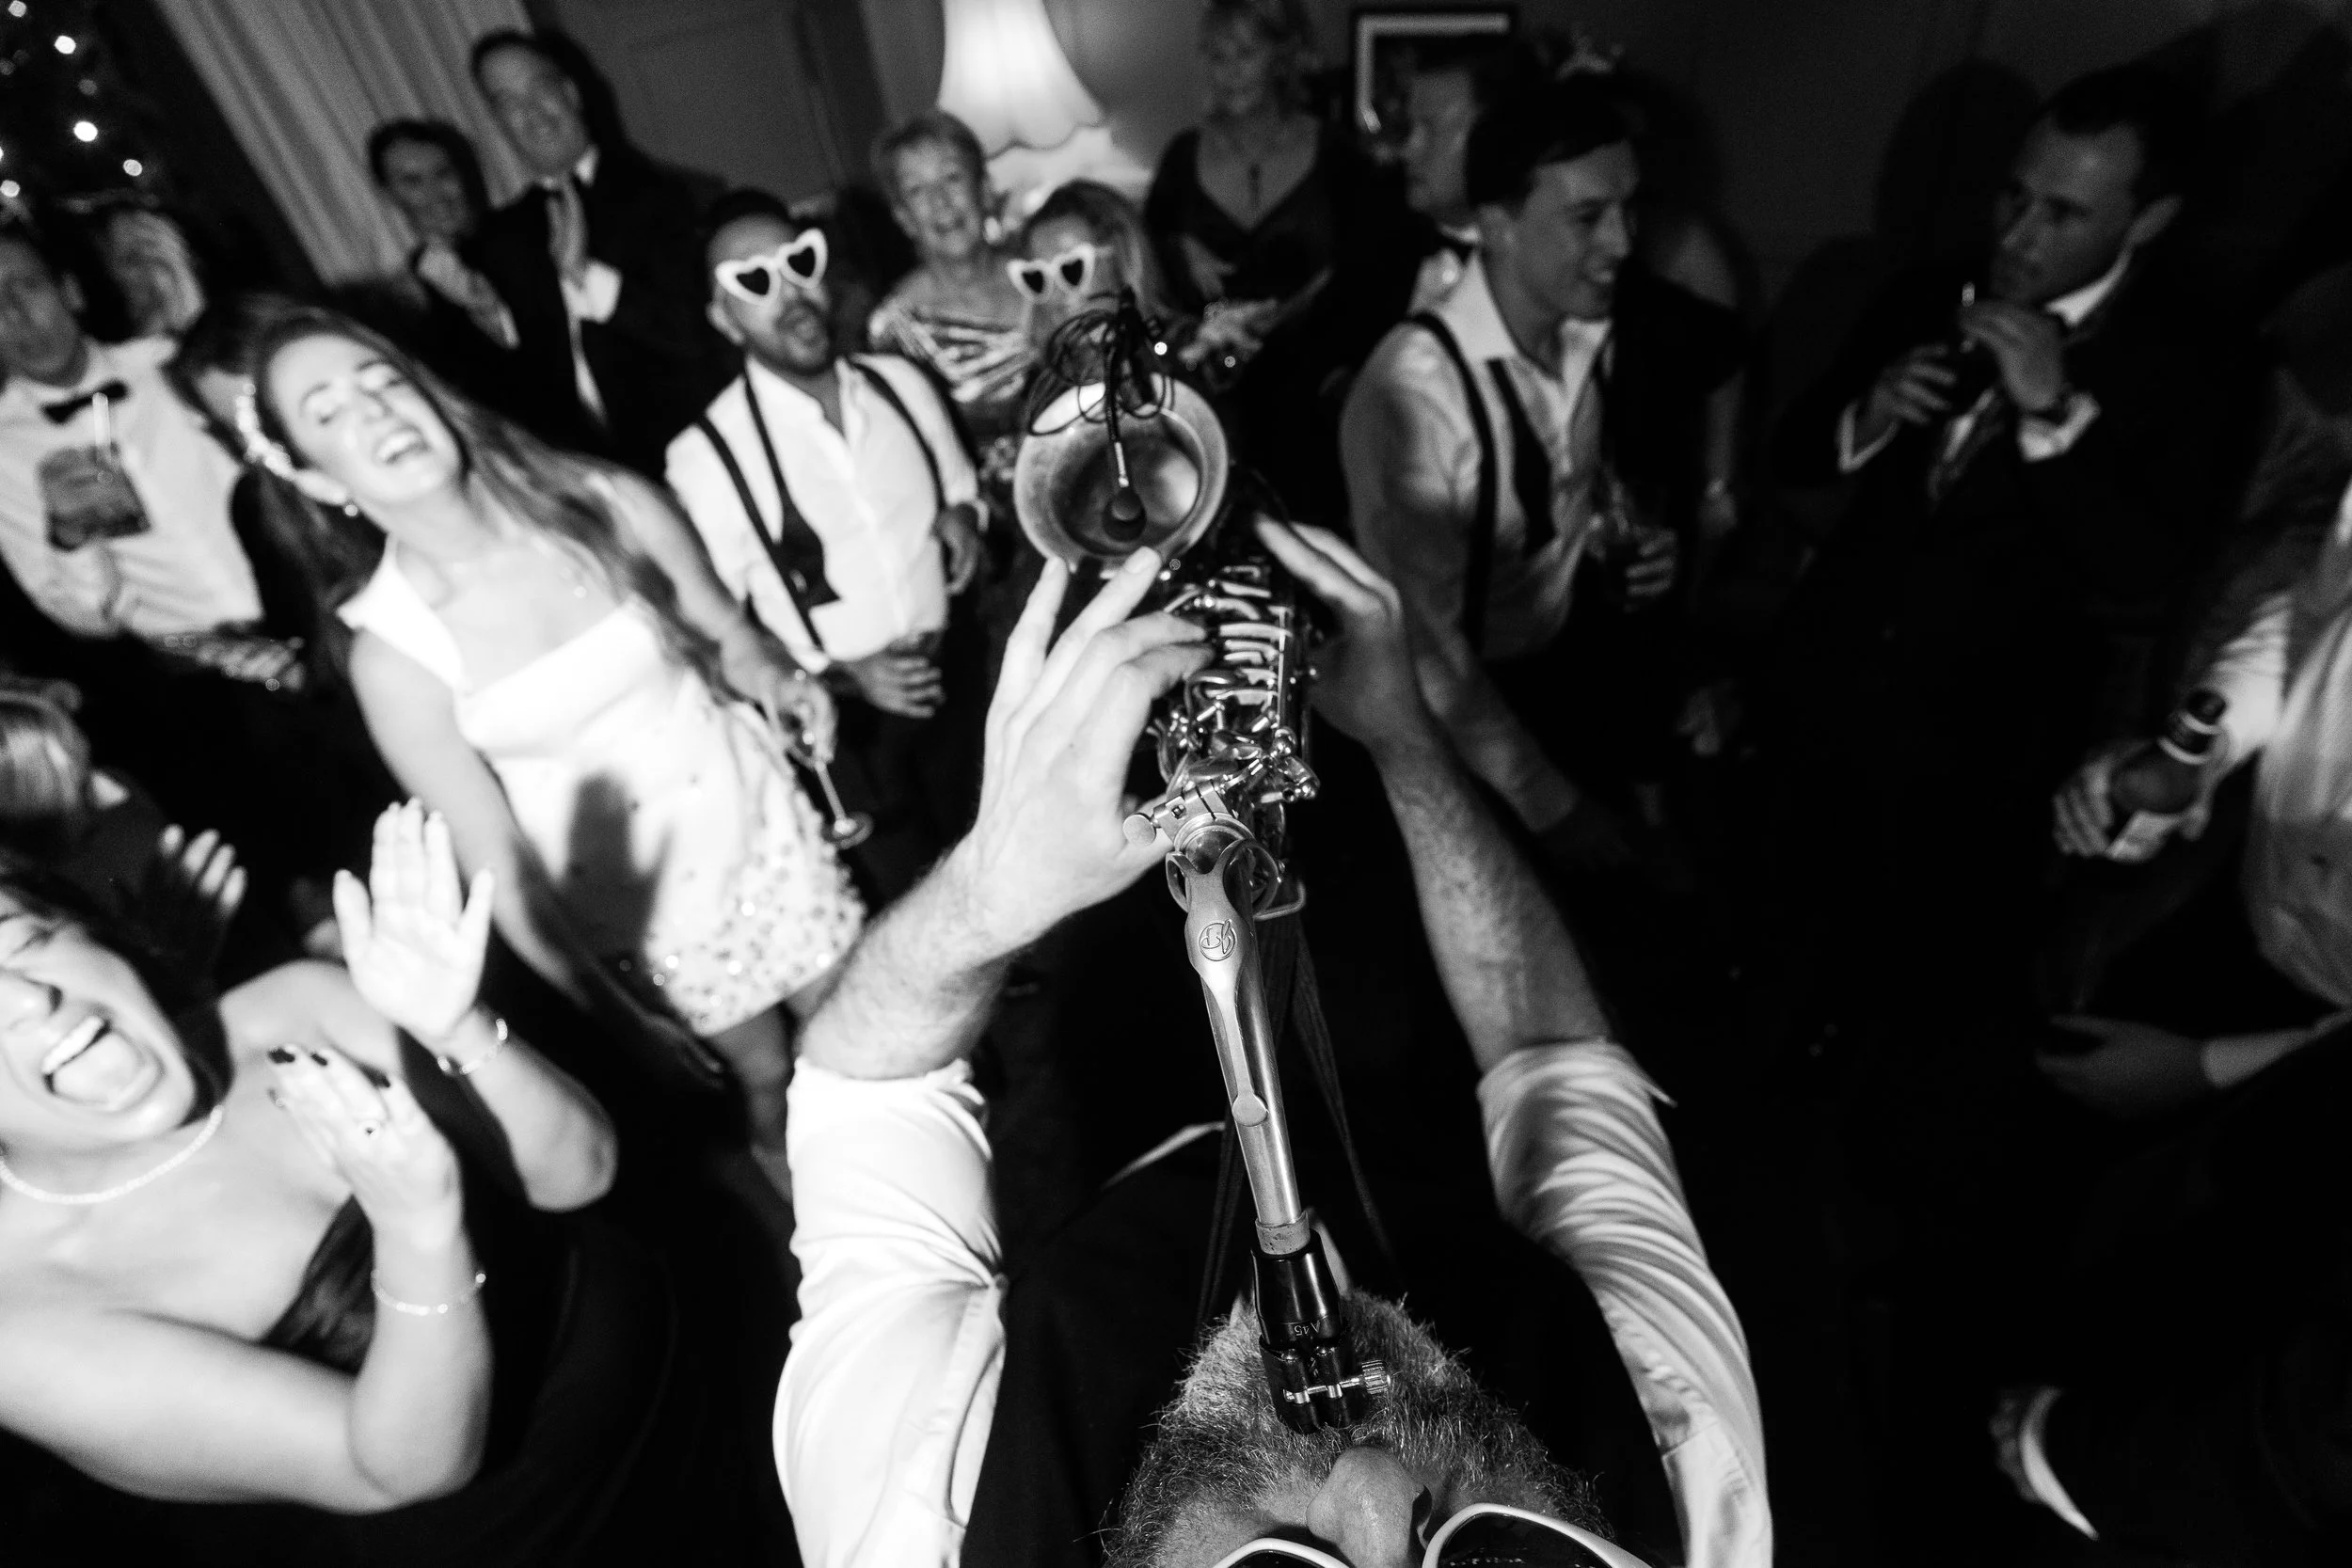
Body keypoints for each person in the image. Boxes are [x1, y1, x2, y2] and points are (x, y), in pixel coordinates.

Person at [773, 526, 1769, 1566]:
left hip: (1104, 1127)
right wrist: (1406, 739)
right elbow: (1553, 1051)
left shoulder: (906, 1524)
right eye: (1496, 1559)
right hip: (1401, 1113)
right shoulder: (1690, 1483)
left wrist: (986, 894)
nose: (1372, 1487)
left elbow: (861, 1084)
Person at [0, 802, 777, 1563]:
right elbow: (399, 1468)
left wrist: (459, 1026)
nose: (28, 997)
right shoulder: (24, 1327)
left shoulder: (285, 1006)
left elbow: (580, 1174)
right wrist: (418, 1229)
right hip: (557, 1534)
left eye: (21, 940)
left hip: (713, 1380)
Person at [234, 302, 860, 1164]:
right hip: (643, 915)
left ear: (433, 397)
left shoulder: (603, 501)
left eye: (384, 381)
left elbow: (725, 632)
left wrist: (777, 679)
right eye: (330, 411)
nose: (377, 411)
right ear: (315, 479)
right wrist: (615, 1008)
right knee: (768, 1082)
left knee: (863, 1035)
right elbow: (499, 865)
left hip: (761, 827)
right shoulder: (394, 657)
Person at [1765, 66, 2263, 1046]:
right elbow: (1793, 451)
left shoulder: (2198, 364)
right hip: (1815, 710)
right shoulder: (1926, 289)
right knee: (1766, 978)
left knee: (1900, 1022)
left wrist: (2051, 413)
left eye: (2061, 214)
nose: (2016, 236)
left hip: (1974, 768)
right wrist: (1866, 414)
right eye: (2012, 197)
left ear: (2147, 219)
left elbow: (2145, 575)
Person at [1341, 80, 1717, 877]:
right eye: (1587, 218)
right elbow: (1429, 655)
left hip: (1567, 680)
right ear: (1499, 224)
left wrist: (1647, 542)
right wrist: (1553, 805)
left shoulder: (1598, 331)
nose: (1622, 241)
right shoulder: (1413, 394)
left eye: (1629, 209)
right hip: (1449, 729)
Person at [0, 227, 365, 953]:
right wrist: (75, 537)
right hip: (203, 684)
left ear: (69, 290)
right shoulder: (3, 449)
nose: (14, 311)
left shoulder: (170, 362)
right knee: (304, 878)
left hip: (324, 620)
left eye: (27, 285)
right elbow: (81, 617)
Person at [668, 190, 985, 902]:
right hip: (848, 722)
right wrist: (837, 671)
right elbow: (711, 627)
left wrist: (963, 518)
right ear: (722, 317)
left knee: (980, 852)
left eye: (798, 263)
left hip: (955, 673)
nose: (789, 293)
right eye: (753, 281)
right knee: (909, 904)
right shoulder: (707, 457)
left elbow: (959, 486)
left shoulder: (902, 383)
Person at [1142, 0, 1397, 523]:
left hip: (1312, 403)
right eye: (1215, 56)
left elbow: (1371, 279)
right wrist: (1173, 250)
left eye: (1244, 53)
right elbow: (1142, 275)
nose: (1228, 71)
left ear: (1281, 57)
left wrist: (1300, 308)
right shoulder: (1180, 157)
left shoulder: (1338, 155)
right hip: (1209, 405)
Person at [466, 29, 735, 472]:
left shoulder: (675, 195)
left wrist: (585, 276)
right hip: (579, 475)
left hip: (691, 457)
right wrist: (489, 318)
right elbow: (519, 377)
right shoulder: (501, 235)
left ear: (571, 93)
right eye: (507, 103)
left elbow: (698, 335)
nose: (531, 112)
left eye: (540, 88)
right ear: (497, 121)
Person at [866, 110, 1034, 489]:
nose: (940, 202)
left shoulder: (1045, 280)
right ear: (903, 217)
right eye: (917, 191)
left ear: (985, 190)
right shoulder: (894, 329)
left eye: (952, 178)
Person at [362, 119, 546, 428]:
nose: (436, 193)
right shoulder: (406, 296)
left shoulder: (524, 234)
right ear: (388, 195)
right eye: (413, 182)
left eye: (443, 173)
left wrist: (493, 313)